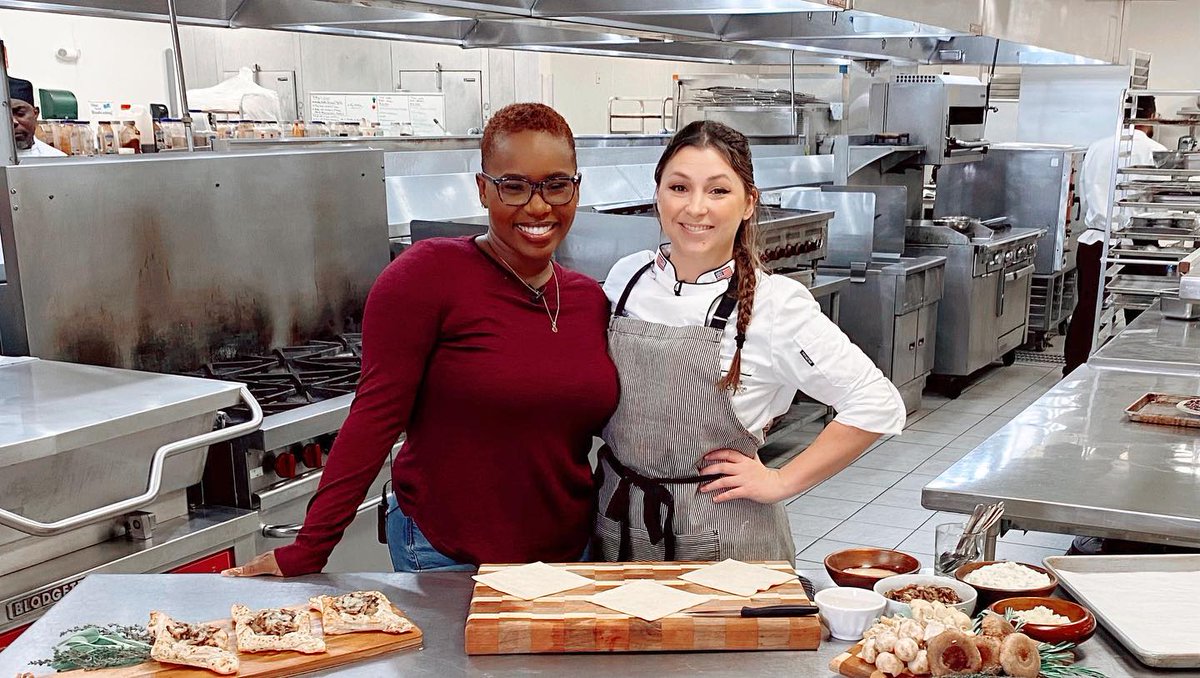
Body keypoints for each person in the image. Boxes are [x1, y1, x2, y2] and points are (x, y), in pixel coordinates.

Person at [226, 103, 619, 576]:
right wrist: (308, 549)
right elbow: (374, 417)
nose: (538, 207)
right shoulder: (426, 277)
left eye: (556, 185)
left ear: (577, 187)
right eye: (513, 186)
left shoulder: (589, 300)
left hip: (570, 556)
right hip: (447, 555)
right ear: (482, 188)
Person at [594, 121, 906, 564]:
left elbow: (876, 402)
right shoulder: (629, 278)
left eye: (718, 191)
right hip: (620, 522)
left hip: (723, 538)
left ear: (748, 204)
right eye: (679, 187)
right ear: (658, 194)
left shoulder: (776, 305)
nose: (696, 208)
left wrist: (781, 481)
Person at [1063, 96, 1167, 377]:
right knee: (1142, 313)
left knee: (1088, 309)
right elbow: (1163, 204)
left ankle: (1073, 369)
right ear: (1153, 116)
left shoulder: (1097, 148)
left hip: (1095, 241)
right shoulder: (1157, 151)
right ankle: (1136, 370)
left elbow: (1086, 193)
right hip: (1139, 244)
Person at [8, 77, 66, 158]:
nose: (14, 121)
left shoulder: (56, 159)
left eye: (20, 113)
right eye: (5, 116)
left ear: (35, 114)